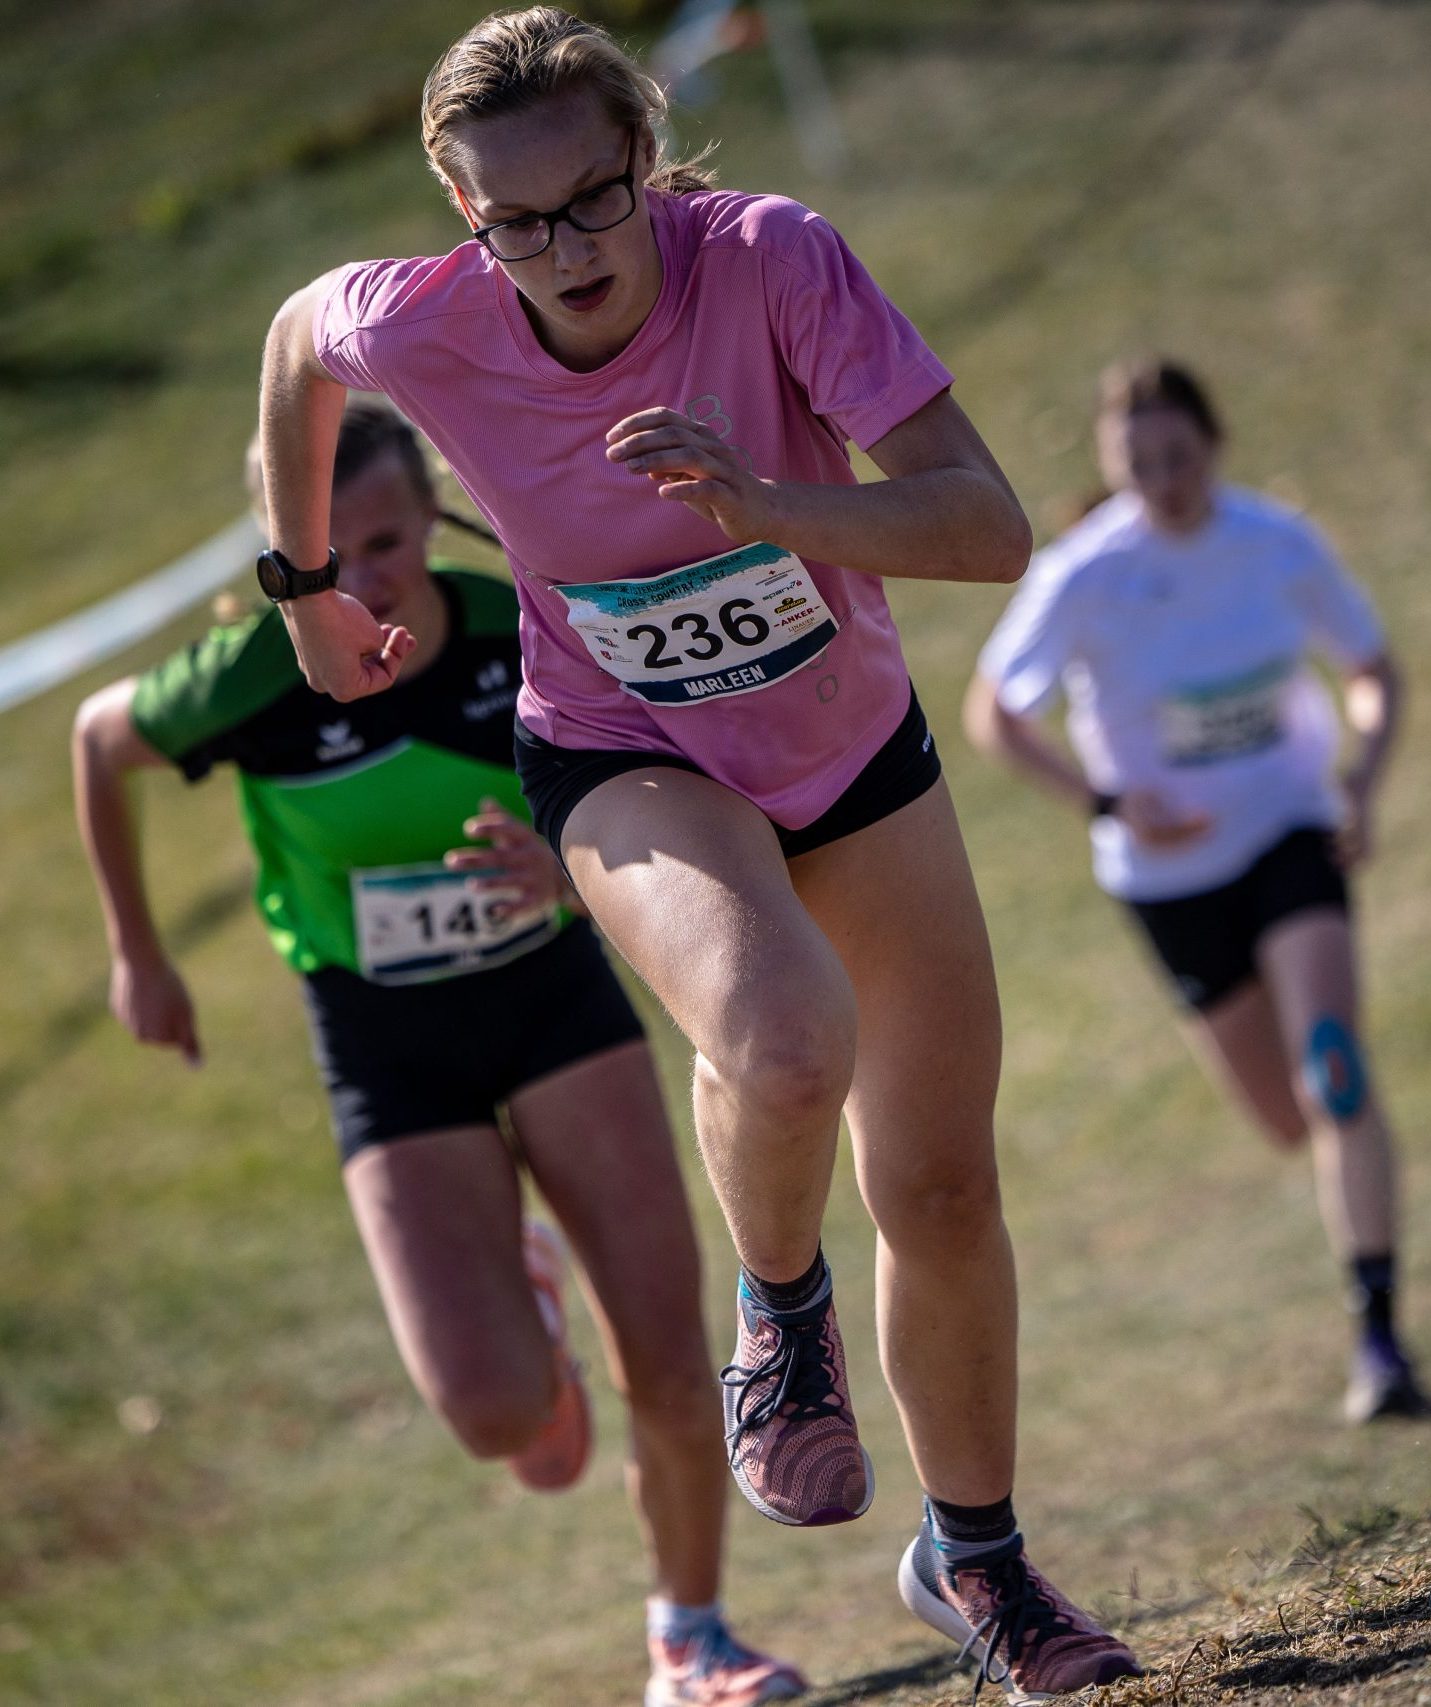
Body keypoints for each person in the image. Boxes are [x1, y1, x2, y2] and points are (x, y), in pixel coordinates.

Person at [253, 8, 1142, 1699]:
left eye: (592, 201)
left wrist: (770, 507)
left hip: (848, 748)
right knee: (783, 1029)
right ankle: (782, 1312)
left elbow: (987, 522)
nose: (564, 250)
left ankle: (978, 1564)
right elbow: (299, 338)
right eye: (515, 221)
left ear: (644, 161)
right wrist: (302, 594)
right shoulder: (427, 325)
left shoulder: (772, 262)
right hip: (624, 751)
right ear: (465, 217)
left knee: (943, 1184)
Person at [71, 401, 806, 1707]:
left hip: (549, 1001)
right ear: (279, 550)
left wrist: (573, 870)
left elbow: (671, 785)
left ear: (432, 516)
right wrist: (138, 950)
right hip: (384, 1040)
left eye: (391, 541)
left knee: (666, 1357)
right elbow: (98, 739)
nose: (365, 580)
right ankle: (520, 1288)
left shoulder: (518, 632)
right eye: (328, 554)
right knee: (497, 1417)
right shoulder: (247, 678)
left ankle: (690, 1634)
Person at [965, 357, 1431, 1425]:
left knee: (1336, 1077)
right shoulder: (1084, 575)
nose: (1165, 480)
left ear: (1214, 447)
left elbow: (1374, 672)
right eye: (1140, 464)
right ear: (1110, 466)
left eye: (1179, 456)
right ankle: (1365, 1289)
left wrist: (1359, 779)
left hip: (1289, 833)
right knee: (1286, 1121)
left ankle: (1380, 1344)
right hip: (1169, 879)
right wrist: (1106, 804)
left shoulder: (1276, 543)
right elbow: (994, 713)